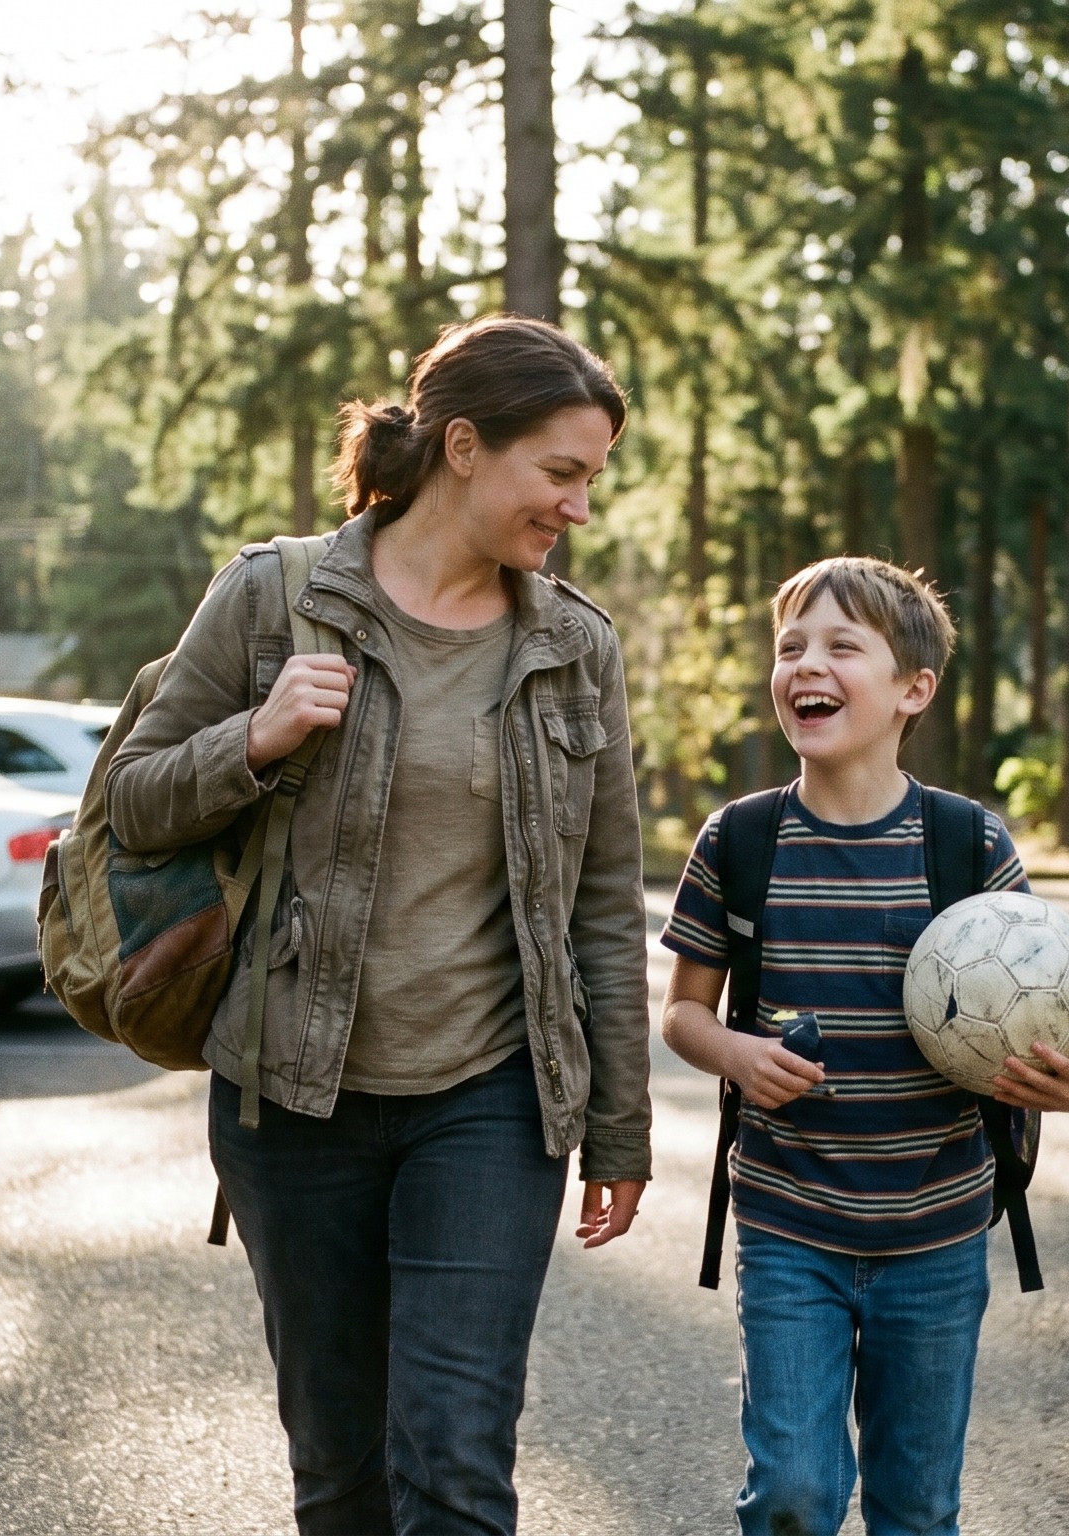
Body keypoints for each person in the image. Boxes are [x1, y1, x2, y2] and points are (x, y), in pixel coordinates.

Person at [105, 315, 652, 1536]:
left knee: (455, 1464)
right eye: (558, 473)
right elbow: (131, 801)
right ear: (463, 446)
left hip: (491, 1102)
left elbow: (604, 904)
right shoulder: (273, 599)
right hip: (292, 1101)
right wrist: (251, 739)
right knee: (341, 1471)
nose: (576, 506)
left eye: (590, 480)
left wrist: (617, 1127)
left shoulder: (574, 648)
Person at [658, 557, 1069, 1536]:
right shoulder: (739, 841)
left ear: (914, 688)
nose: (804, 665)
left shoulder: (967, 846)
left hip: (938, 1235)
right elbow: (683, 1012)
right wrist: (734, 1054)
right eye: (789, 648)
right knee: (791, 1495)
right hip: (789, 1228)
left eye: (838, 645)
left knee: (915, 1507)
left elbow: (1039, 1020)